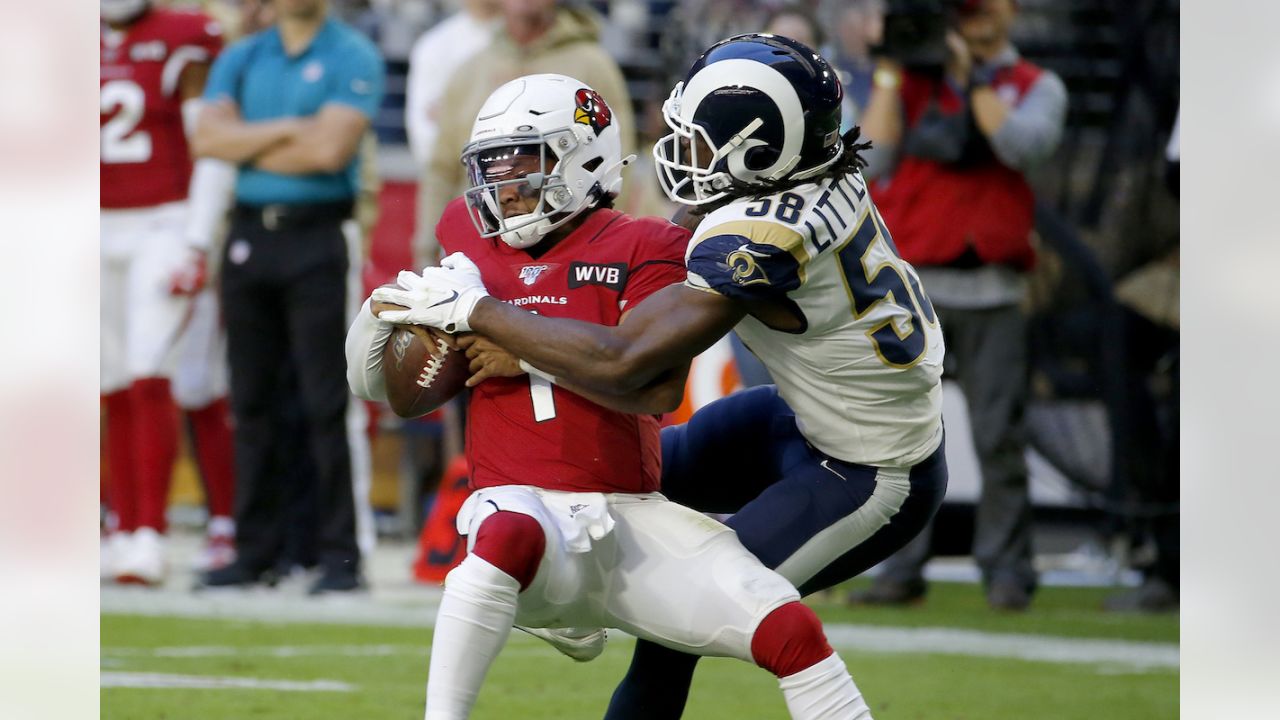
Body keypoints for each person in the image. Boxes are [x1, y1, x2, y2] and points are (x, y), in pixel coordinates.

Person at [373, 35, 947, 720]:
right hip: (797, 418)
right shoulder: (809, 163)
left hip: (870, 469)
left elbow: (633, 364)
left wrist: (482, 312)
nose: (684, 152)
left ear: (760, 154)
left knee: (685, 624)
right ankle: (566, 600)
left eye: (701, 141)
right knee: (605, 486)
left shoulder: (763, 237)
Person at [852, 0, 1067, 611]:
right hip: (913, 289)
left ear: (1011, 10)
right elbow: (872, 161)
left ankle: (1006, 571)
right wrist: (893, 69)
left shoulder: (1033, 85)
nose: (971, 14)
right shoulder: (909, 81)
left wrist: (970, 74)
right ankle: (897, 568)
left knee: (998, 436)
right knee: (898, 438)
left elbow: (1022, 146)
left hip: (994, 290)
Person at [191, 0, 383, 594]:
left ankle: (336, 555)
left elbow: (329, 152)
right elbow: (205, 138)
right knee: (250, 399)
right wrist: (289, 128)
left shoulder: (352, 53)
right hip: (248, 233)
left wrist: (245, 138)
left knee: (325, 400)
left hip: (317, 233)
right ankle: (257, 550)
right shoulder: (243, 54)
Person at [100, 0, 230, 584]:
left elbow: (211, 144)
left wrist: (198, 239)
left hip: (162, 219)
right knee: (108, 382)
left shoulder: (186, 33)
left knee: (149, 371)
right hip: (89, 223)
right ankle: (121, 529)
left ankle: (149, 533)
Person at [413, 0, 634, 269]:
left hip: (572, 240)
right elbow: (442, 168)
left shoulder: (592, 64)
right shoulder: (470, 69)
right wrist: (426, 248)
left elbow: (614, 159)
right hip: (486, 240)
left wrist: (609, 244)